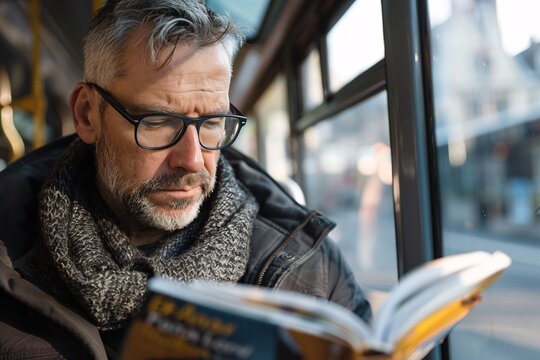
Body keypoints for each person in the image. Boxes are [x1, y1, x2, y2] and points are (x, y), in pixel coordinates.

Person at [0, 0, 371, 358]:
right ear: (86, 115)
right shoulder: (7, 253)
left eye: (212, 123)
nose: (193, 160)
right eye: (158, 122)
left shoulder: (310, 270)